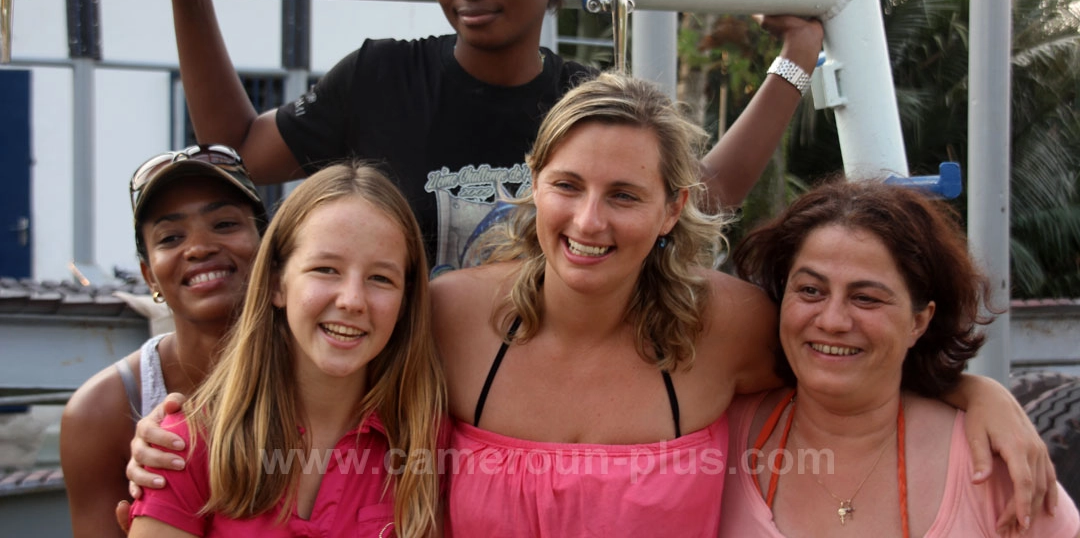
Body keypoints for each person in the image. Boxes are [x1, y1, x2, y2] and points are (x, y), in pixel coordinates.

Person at [128, 74, 1055, 534]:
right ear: (533, 186)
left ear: (672, 210)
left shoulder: (727, 324)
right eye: (568, 185)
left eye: (624, 195)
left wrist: (983, 398)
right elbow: (313, 344)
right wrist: (171, 427)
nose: (589, 220)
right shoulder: (450, 315)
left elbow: (852, 354)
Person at [150, 0, 826, 275]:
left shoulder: (588, 106)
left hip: (527, 417)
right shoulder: (382, 77)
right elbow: (235, 147)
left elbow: (699, 195)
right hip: (396, 408)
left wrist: (797, 57)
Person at [721, 179, 1080, 538]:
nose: (832, 321)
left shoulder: (992, 467)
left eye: (866, 298)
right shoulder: (720, 436)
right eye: (811, 291)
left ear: (919, 321)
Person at [127, 162, 446, 538]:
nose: (353, 300)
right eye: (326, 269)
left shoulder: (430, 444)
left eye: (381, 278)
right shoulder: (182, 445)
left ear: (406, 301)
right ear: (277, 283)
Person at [60, 145, 267, 538]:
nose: (200, 247)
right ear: (149, 275)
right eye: (171, 237)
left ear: (269, 246)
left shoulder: (328, 373)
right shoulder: (100, 414)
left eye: (224, 224)